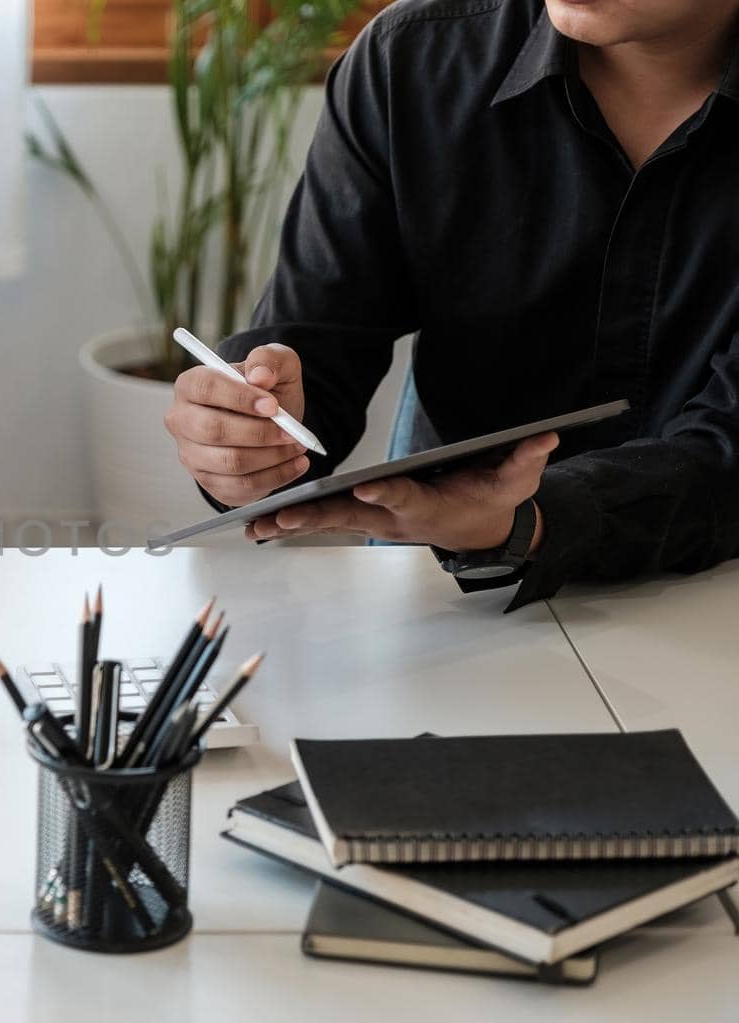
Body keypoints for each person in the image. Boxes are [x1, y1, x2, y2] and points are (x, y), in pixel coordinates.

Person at [164, 0, 739, 604]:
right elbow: (316, 343)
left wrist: (533, 519)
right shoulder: (410, 61)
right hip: (454, 577)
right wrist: (246, 436)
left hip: (714, 589)